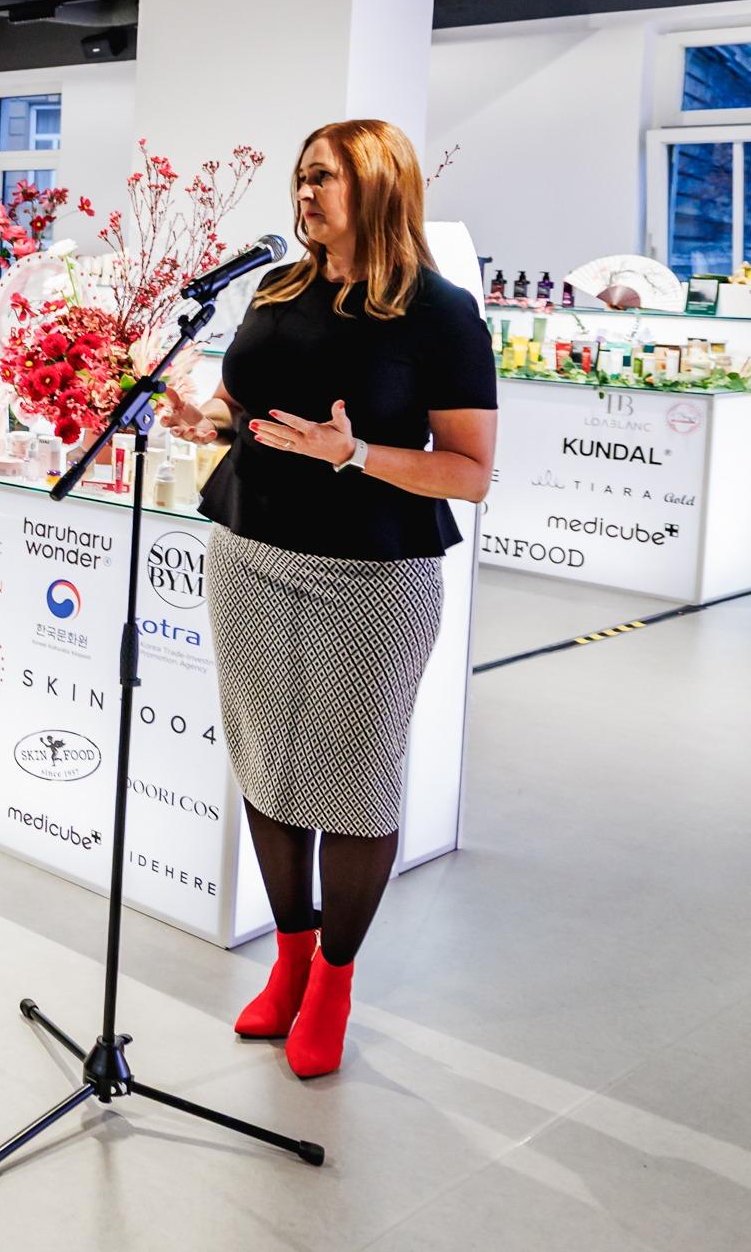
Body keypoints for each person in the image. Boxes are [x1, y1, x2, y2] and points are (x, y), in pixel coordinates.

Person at [161, 118, 497, 1081]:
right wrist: (203, 418)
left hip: (372, 577)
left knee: (354, 784)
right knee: (268, 768)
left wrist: (354, 454)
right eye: (301, 177)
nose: (305, 194)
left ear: (379, 188)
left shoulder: (441, 313)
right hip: (250, 552)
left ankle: (335, 983)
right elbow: (244, 406)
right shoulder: (277, 288)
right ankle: (291, 959)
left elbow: (469, 472)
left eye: (325, 178)